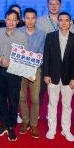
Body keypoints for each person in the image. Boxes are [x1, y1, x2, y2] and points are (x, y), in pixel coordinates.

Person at [43, 12, 74, 142]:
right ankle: (51, 129)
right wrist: (46, 74)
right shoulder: (50, 36)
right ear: (57, 22)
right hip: (52, 76)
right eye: (61, 20)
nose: (64, 23)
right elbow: (46, 56)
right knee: (52, 104)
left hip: (69, 79)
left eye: (66, 20)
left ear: (70, 22)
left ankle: (66, 130)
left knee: (67, 106)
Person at [0, 10, 28, 141]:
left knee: (13, 99)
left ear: (18, 22)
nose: (11, 22)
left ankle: (11, 125)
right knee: (1, 98)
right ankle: (3, 123)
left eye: (14, 20)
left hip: (14, 71)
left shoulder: (22, 36)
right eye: (9, 19)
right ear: (5, 19)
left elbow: (24, 57)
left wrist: (10, 62)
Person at [18, 7, 45, 138]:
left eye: (33, 18)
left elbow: (42, 54)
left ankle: (34, 124)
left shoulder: (41, 34)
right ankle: (25, 121)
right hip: (19, 69)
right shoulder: (17, 32)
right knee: (21, 97)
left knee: (35, 98)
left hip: (35, 69)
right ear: (23, 18)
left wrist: (32, 66)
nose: (30, 21)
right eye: (27, 18)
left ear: (36, 19)